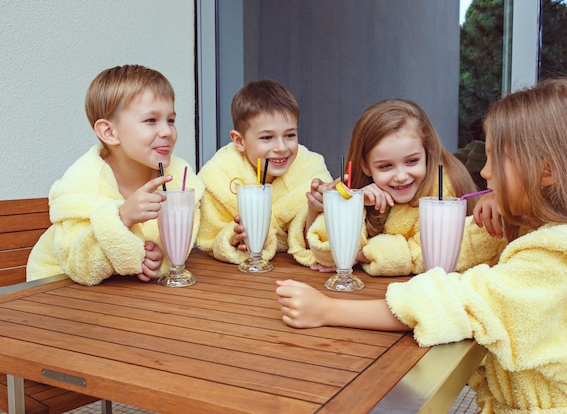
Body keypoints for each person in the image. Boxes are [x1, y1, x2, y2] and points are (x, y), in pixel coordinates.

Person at [276, 77, 567, 413]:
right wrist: (507, 213)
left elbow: (455, 300)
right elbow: (459, 246)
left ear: (546, 172)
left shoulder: (556, 260)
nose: (485, 174)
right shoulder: (566, 235)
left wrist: (328, 311)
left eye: (494, 160)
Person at [27, 65, 204, 286]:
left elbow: (174, 248)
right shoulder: (82, 183)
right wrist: (122, 217)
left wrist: (159, 260)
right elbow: (80, 266)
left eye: (170, 120)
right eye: (151, 120)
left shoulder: (179, 180)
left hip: (124, 296)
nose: (167, 131)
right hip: (54, 290)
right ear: (110, 132)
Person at [306, 99, 505, 276]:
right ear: (365, 166)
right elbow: (323, 253)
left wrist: (361, 254)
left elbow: (424, 255)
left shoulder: (444, 192)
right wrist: (349, 205)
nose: (401, 177)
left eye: (411, 161)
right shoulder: (355, 190)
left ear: (428, 154)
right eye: (385, 166)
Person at [196, 79, 332, 266]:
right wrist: (232, 237)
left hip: (294, 273)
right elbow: (209, 240)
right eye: (267, 137)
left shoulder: (311, 171)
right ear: (239, 141)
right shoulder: (219, 175)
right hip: (234, 277)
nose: (281, 147)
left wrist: (314, 209)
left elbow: (317, 241)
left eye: (290, 135)